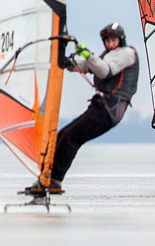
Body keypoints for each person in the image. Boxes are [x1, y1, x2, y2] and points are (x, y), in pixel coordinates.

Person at [24, 23, 139, 195]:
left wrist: (89, 55)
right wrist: (66, 61)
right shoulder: (108, 54)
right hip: (101, 107)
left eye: (113, 40)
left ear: (120, 39)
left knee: (71, 138)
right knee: (61, 135)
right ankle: (47, 178)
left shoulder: (127, 53)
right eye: (107, 41)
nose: (110, 44)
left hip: (109, 110)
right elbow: (85, 65)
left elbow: (104, 71)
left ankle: (54, 180)